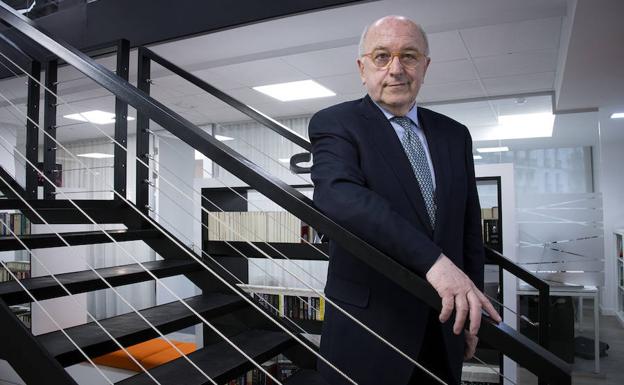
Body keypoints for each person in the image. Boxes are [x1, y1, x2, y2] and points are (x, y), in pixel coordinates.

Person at [309, 15, 502, 385]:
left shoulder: (454, 134)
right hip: (369, 328)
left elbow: (467, 230)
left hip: (445, 324)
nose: (396, 69)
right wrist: (434, 263)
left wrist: (471, 307)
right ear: (362, 68)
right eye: (382, 56)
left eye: (409, 56)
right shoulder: (336, 123)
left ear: (425, 66)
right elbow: (341, 197)